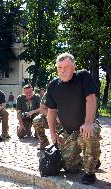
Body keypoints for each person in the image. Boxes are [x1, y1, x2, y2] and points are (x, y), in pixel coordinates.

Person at [45, 52, 101, 185]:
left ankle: (90, 171)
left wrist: (88, 123)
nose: (63, 70)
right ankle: (92, 158)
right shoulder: (53, 85)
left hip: (85, 127)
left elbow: (91, 99)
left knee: (89, 133)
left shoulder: (83, 76)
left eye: (67, 67)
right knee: (69, 167)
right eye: (60, 67)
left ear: (74, 67)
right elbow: (51, 111)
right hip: (69, 132)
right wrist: (52, 133)